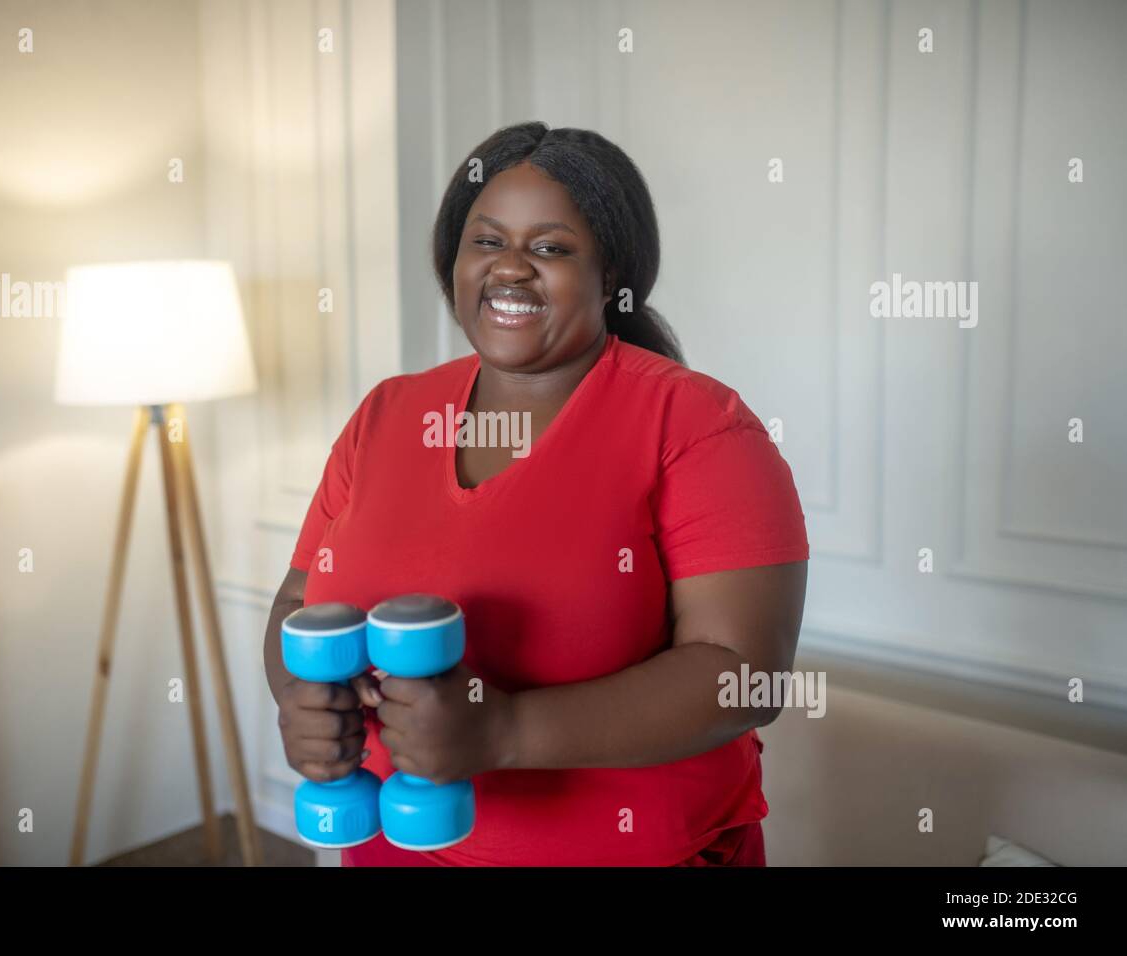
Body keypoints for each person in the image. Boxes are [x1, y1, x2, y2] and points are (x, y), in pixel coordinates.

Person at [263, 121, 809, 866]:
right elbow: (300, 602)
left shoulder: (699, 426)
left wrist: (504, 731)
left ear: (613, 273)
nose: (511, 269)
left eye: (550, 247)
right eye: (486, 241)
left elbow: (742, 676)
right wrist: (302, 699)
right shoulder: (388, 415)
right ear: (452, 260)